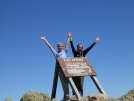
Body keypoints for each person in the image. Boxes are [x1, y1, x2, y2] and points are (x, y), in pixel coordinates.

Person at [40, 33, 71, 101]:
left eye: (61, 46)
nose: (60, 47)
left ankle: (66, 96)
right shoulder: (56, 53)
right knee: (64, 83)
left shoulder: (64, 51)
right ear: (57, 47)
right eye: (58, 46)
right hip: (60, 69)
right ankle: (67, 97)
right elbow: (50, 47)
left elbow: (66, 44)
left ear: (62, 47)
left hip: (66, 68)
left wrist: (68, 37)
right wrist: (45, 40)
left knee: (68, 82)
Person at [69, 32, 100, 96]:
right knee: (74, 84)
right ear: (77, 48)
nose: (80, 48)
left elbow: (89, 48)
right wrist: (70, 38)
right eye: (79, 47)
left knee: (80, 84)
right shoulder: (75, 53)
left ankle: (80, 96)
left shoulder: (83, 53)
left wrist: (95, 42)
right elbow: (72, 46)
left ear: (82, 48)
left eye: (81, 47)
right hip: (74, 71)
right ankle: (74, 96)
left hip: (82, 72)